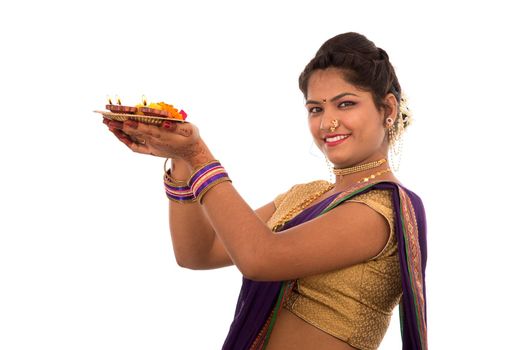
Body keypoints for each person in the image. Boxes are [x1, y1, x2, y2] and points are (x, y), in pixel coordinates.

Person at [103, 32, 428, 350]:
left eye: (345, 104)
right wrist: (180, 160)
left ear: (387, 110)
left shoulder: (381, 209)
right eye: (316, 109)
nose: (328, 123)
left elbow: (260, 258)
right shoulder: (305, 196)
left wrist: (198, 155)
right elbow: (198, 253)